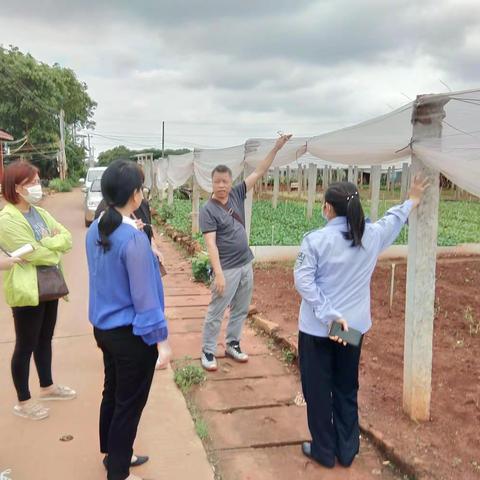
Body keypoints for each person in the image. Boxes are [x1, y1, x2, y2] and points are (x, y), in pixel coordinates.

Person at [294, 176, 428, 469]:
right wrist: (413, 199)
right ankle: (347, 448)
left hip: (318, 328)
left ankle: (324, 451)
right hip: (352, 328)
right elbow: (394, 219)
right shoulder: (372, 235)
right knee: (345, 385)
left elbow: (303, 282)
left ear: (328, 208)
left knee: (317, 389)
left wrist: (329, 314)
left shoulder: (316, 240)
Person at [86, 159, 170, 480]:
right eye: (142, 188)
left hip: (104, 329)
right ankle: (118, 472)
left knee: (113, 391)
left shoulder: (96, 229)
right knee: (128, 406)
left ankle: (112, 456)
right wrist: (161, 342)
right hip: (131, 335)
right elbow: (146, 301)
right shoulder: (132, 239)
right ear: (135, 195)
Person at [199, 134, 292, 371]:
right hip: (227, 268)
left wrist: (276, 148)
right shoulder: (207, 210)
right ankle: (208, 350)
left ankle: (233, 343)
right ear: (212, 182)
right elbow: (211, 244)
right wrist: (218, 274)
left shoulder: (238, 194)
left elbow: (260, 171)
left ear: (231, 182)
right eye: (217, 181)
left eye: (225, 181)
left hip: (245, 264)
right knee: (216, 311)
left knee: (240, 308)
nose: (221, 186)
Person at [0, 160, 75, 421]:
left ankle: (47, 385)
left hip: (48, 285)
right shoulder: (7, 219)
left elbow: (66, 237)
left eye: (37, 181)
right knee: (25, 344)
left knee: (45, 338)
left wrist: (48, 243)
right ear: (17, 188)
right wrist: (49, 247)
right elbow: (36, 254)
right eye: (32, 182)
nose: (37, 186)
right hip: (27, 290)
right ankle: (23, 401)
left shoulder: (38, 212)